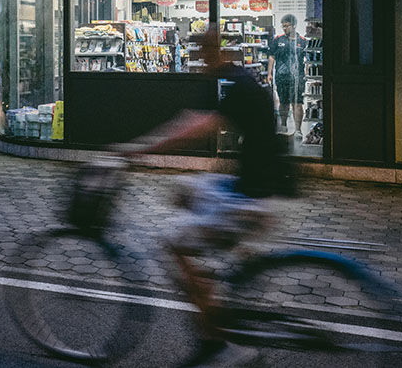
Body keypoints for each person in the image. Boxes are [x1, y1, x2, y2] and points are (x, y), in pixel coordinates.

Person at [122, 25, 289, 368]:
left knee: (173, 244)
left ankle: (221, 343)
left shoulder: (230, 83)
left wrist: (141, 149)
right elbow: (194, 120)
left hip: (253, 193)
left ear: (211, 51)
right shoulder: (234, 76)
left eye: (200, 53)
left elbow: (196, 127)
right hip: (253, 182)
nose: (197, 60)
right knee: (183, 194)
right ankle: (226, 278)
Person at [267, 14, 306, 138]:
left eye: (287, 26)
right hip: (281, 76)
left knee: (297, 103)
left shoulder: (303, 41)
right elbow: (272, 57)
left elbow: (307, 60)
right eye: (283, 26)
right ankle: (283, 126)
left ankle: (298, 130)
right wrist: (269, 73)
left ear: (294, 25)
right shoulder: (278, 40)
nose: (284, 29)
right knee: (283, 103)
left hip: (298, 77)